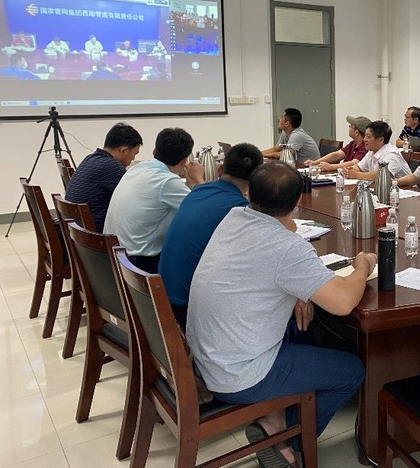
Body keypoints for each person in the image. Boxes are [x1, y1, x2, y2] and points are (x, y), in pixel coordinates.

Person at [187, 162, 375, 467]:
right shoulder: (287, 248)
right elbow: (343, 303)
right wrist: (363, 266)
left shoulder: (233, 217)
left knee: (303, 327)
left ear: (249, 194)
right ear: (298, 201)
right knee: (351, 370)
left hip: (207, 358)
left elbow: (270, 257)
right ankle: (285, 435)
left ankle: (275, 415)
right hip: (238, 374)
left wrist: (300, 290)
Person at [158, 143, 263, 329]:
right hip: (190, 308)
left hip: (163, 296)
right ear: (256, 179)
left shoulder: (197, 191)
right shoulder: (239, 211)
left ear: (220, 169)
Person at [104, 127, 204, 273]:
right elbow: (205, 211)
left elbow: (187, 201)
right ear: (184, 161)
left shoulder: (136, 168)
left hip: (114, 256)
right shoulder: (167, 181)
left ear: (154, 151)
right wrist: (199, 179)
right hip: (139, 264)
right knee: (193, 252)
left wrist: (189, 182)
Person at [66, 123, 143, 233]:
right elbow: (135, 202)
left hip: (78, 233)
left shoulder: (91, 158)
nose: (133, 159)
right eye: (134, 154)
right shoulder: (112, 167)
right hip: (97, 236)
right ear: (123, 150)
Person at [344, 120, 411, 180]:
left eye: (368, 137)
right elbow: (359, 167)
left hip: (406, 189)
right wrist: (349, 170)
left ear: (381, 140)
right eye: (365, 136)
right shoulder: (372, 152)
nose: (364, 140)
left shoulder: (392, 154)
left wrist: (356, 175)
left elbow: (382, 175)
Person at [304, 115, 369, 171]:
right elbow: (337, 155)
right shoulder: (353, 143)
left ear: (356, 132)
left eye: (350, 126)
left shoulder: (365, 147)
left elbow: (354, 163)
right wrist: (314, 163)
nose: (349, 127)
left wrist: (331, 167)